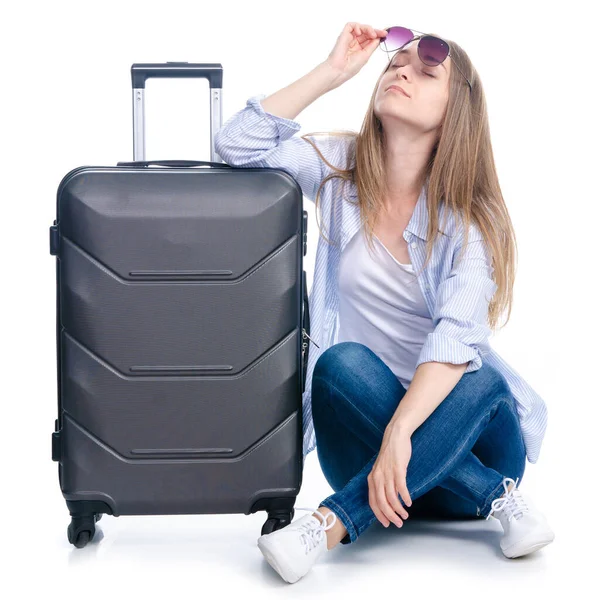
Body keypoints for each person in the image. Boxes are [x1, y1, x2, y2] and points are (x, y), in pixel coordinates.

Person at [215, 22, 554, 584]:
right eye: (396, 64)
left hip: (466, 444)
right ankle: (500, 498)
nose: (401, 71)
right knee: (339, 365)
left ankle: (329, 524)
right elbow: (236, 144)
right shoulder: (339, 172)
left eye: (426, 72)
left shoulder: (470, 223)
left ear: (455, 112)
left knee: (483, 380)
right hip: (369, 460)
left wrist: (402, 434)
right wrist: (332, 72)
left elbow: (453, 342)